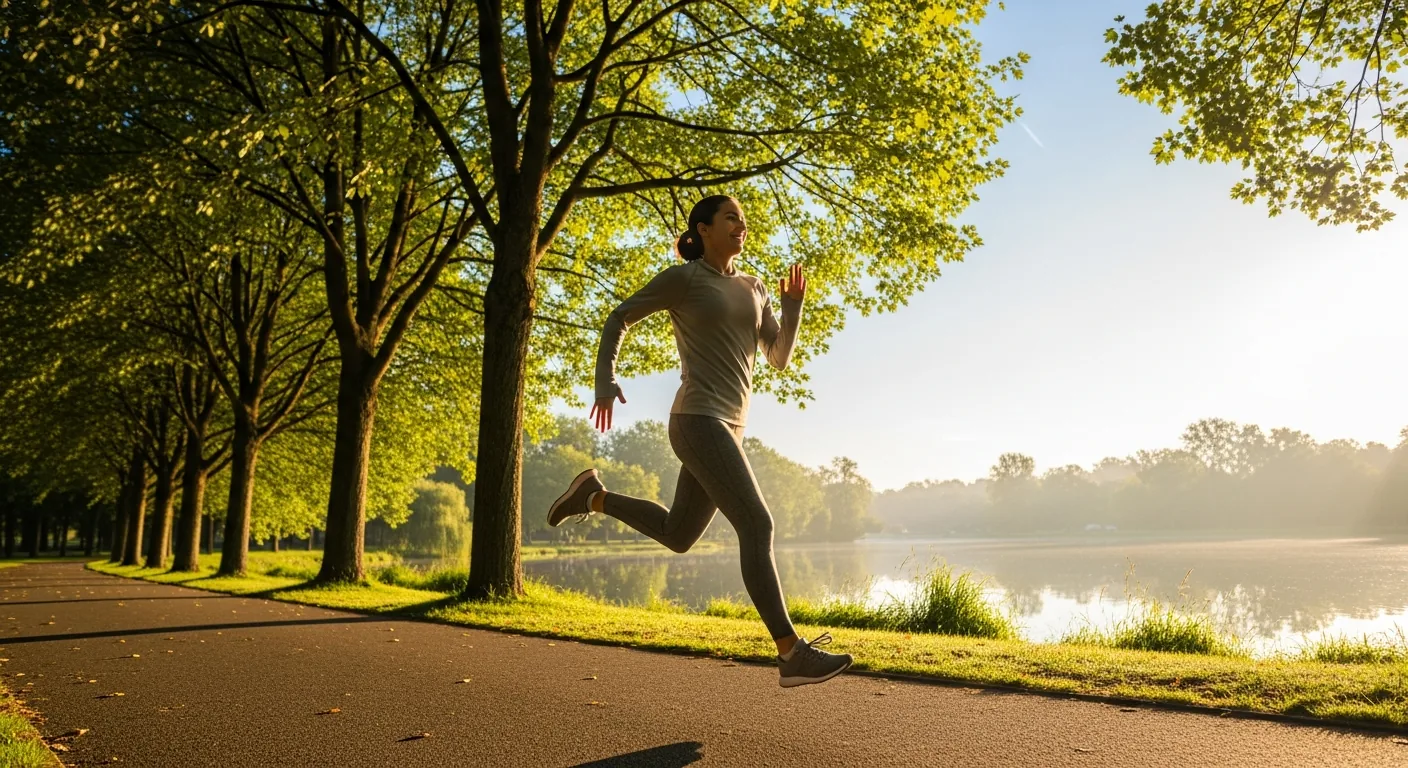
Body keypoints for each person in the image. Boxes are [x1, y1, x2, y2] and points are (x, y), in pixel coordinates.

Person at [546, 194, 854, 688]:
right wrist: (605, 380)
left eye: (744, 220)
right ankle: (790, 652)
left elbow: (778, 357)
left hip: (729, 426)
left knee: (678, 534)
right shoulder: (685, 279)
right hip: (696, 418)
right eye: (731, 217)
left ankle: (593, 495)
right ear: (703, 229)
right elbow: (618, 317)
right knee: (757, 523)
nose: (741, 226)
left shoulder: (755, 287)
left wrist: (793, 307)